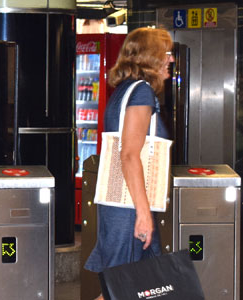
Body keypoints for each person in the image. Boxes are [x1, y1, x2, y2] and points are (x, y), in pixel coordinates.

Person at [83, 27, 173, 300]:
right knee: (126, 289)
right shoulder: (143, 93)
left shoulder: (124, 91)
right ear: (151, 57)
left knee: (138, 288)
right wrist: (143, 213)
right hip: (130, 208)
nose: (170, 60)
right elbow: (130, 154)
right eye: (166, 54)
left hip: (121, 206)